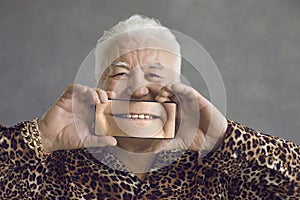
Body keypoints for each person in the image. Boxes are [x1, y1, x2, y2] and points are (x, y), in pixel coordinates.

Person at [0, 14, 299, 199]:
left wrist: (224, 140)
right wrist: (40, 138)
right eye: (119, 73)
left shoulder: (220, 170)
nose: (139, 89)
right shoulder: (53, 167)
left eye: (156, 75)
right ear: (97, 87)